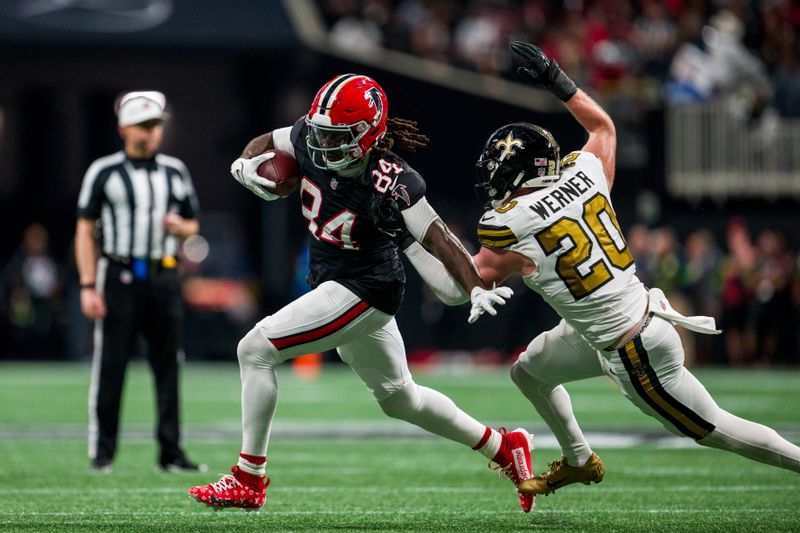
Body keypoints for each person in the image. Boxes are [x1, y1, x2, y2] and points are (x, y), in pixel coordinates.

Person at [375, 41, 800, 500]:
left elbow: (459, 290)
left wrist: (406, 235)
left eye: (500, 177)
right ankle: (579, 460)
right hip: (612, 325)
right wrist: (559, 80)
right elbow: (603, 125)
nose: (494, 188)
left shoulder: (510, 224)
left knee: (718, 430)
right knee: (528, 372)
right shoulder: (585, 170)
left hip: (632, 350)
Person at [188, 74, 536, 512]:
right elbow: (265, 140)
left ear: (367, 135)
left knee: (255, 349)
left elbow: (436, 237)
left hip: (364, 289)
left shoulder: (393, 178)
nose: (322, 145)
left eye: (336, 137)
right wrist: (244, 164)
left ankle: (248, 478)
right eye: (320, 133)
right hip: (337, 282)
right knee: (400, 399)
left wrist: (473, 286)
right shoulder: (309, 134)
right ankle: (504, 447)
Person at [75, 91, 206, 474]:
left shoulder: (175, 171)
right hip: (119, 274)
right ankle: (103, 451)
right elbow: (85, 230)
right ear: (124, 128)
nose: (152, 133)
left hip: (164, 274)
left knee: (168, 366)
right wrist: (88, 285)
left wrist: (180, 228)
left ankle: (171, 451)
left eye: (156, 126)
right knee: (111, 365)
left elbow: (193, 225)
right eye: (144, 125)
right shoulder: (104, 171)